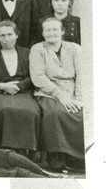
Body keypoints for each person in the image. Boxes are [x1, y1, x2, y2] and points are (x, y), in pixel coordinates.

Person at [30, 17, 84, 170]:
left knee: (81, 112)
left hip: (73, 90)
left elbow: (81, 74)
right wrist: (60, 95)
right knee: (55, 112)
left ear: (62, 31)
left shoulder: (75, 48)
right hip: (48, 92)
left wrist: (79, 98)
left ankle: (77, 157)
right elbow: (38, 77)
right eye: (47, 30)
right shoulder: (37, 49)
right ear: (42, 33)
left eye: (55, 29)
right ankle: (56, 155)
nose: (51, 33)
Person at [0, 20, 40, 154]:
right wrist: (2, 86)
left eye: (10, 34)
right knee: (6, 111)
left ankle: (28, 151)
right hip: (1, 93)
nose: (6, 39)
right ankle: (9, 152)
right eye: (2, 36)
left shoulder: (27, 52)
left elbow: (34, 75)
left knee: (32, 112)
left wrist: (19, 86)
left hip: (23, 92)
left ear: (17, 35)